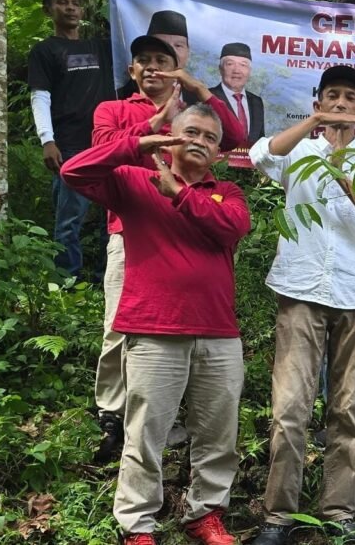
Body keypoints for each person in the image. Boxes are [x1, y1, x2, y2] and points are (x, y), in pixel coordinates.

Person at [61, 104, 251, 545]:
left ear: (219, 152)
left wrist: (179, 194)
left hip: (218, 331)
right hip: (154, 327)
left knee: (219, 434)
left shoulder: (227, 192)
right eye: (192, 132)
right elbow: (73, 172)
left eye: (209, 137)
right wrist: (134, 144)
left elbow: (231, 228)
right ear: (170, 135)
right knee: (146, 433)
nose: (200, 141)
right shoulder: (133, 180)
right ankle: (138, 525)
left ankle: (205, 513)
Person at [249, 65, 355, 545]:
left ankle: (338, 510)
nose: (339, 104)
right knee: (290, 407)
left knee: (347, 408)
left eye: (348, 97)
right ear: (317, 100)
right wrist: (312, 128)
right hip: (301, 291)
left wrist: (345, 181)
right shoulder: (301, 149)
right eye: (330, 95)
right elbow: (260, 157)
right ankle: (278, 516)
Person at [89, 35, 246, 464]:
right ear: (132, 69)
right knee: (123, 324)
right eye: (145, 61)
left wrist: (194, 91)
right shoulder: (115, 109)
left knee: (177, 333)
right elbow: (99, 154)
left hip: (191, 220)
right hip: (134, 225)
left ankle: (165, 415)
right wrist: (155, 122)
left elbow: (234, 136)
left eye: (163, 60)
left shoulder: (195, 113)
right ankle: (112, 414)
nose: (154, 67)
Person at [28, 0, 115, 278]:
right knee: (68, 220)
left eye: (75, 3)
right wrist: (46, 140)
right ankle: (67, 284)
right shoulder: (45, 50)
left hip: (108, 144)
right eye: (62, 2)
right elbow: (40, 95)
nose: (70, 8)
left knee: (114, 217)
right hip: (70, 146)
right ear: (48, 9)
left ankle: (110, 279)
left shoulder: (101, 47)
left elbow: (131, 30)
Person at [117, 11, 194, 101]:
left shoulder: (200, 95)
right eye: (163, 45)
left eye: (178, 45)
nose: (171, 51)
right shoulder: (121, 94)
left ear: (188, 51)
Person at [210, 42, 265, 146]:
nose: (237, 70)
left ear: (249, 71)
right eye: (230, 64)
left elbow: (260, 141)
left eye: (243, 65)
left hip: (250, 161)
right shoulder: (207, 97)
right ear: (220, 69)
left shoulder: (256, 101)